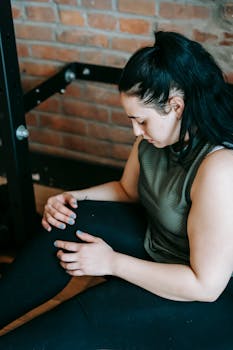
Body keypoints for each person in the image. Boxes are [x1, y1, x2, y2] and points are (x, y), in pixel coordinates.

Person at [0, 31, 233, 350]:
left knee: (86, 314)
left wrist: (111, 263)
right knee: (69, 221)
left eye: (142, 121)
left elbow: (205, 286)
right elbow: (127, 190)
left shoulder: (219, 169)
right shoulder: (157, 138)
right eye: (131, 120)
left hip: (207, 300)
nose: (136, 131)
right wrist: (71, 198)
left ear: (176, 106)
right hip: (161, 247)